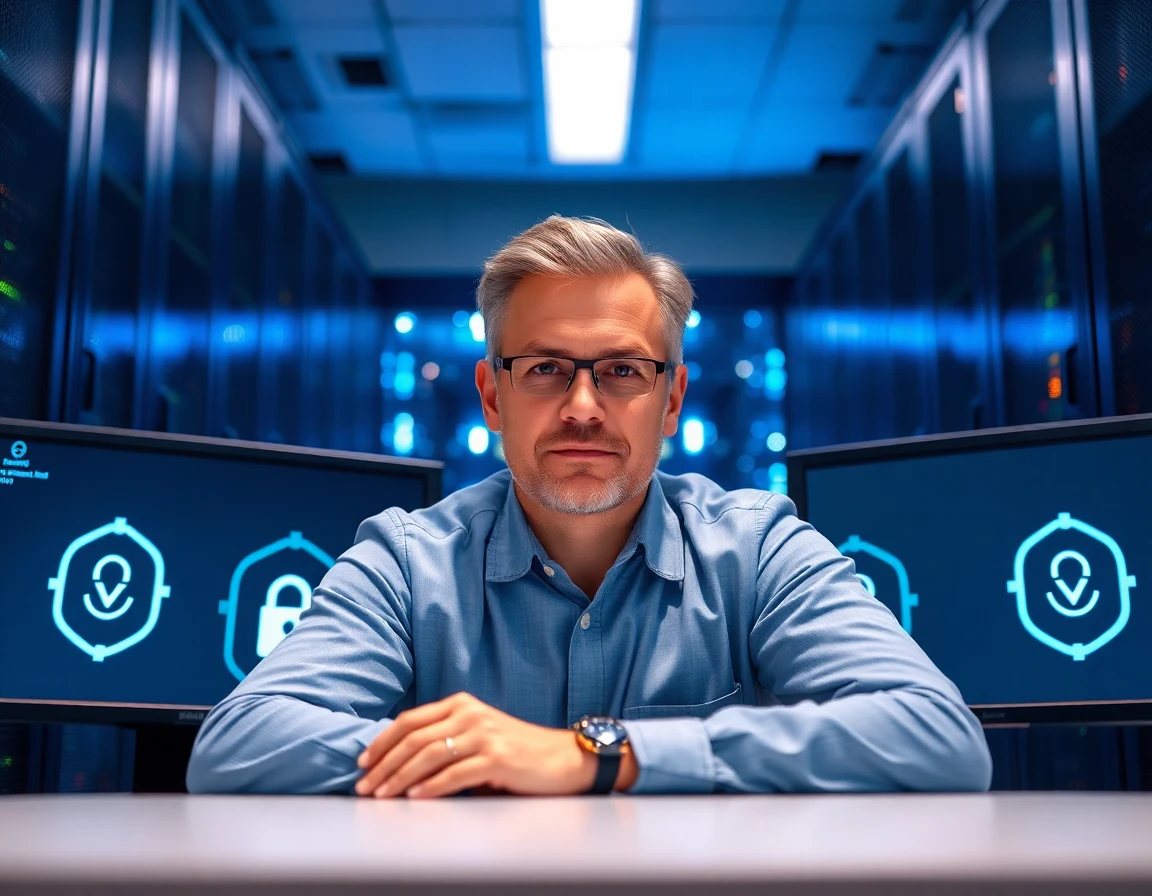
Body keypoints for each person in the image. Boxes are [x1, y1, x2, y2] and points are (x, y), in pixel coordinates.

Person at [186, 215, 992, 797]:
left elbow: (937, 736)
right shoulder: (406, 561)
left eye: (622, 371)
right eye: (544, 369)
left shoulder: (759, 551)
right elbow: (238, 745)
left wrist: (597, 755)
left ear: (671, 399)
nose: (581, 408)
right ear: (492, 396)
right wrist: (471, 757)